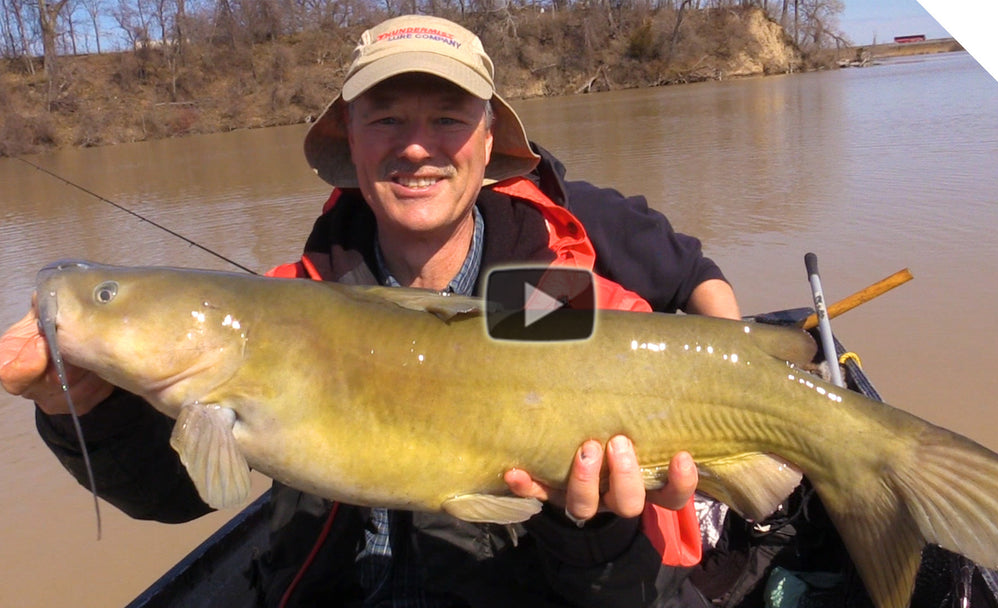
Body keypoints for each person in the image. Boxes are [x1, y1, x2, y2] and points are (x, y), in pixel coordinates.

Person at [1, 15, 740, 607]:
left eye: (448, 118)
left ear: (489, 145)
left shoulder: (548, 299)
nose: (417, 147)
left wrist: (596, 528)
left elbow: (638, 590)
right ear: (349, 142)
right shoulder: (290, 296)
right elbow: (176, 491)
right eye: (385, 119)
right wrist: (84, 406)